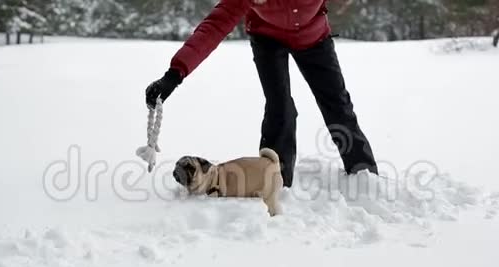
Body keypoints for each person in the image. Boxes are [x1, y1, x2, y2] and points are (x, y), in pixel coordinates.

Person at [145, 0, 378, 187]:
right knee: (280, 107)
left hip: (313, 36)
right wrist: (175, 74)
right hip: (268, 39)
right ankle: (275, 180)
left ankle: (364, 176)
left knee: (337, 105)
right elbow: (215, 25)